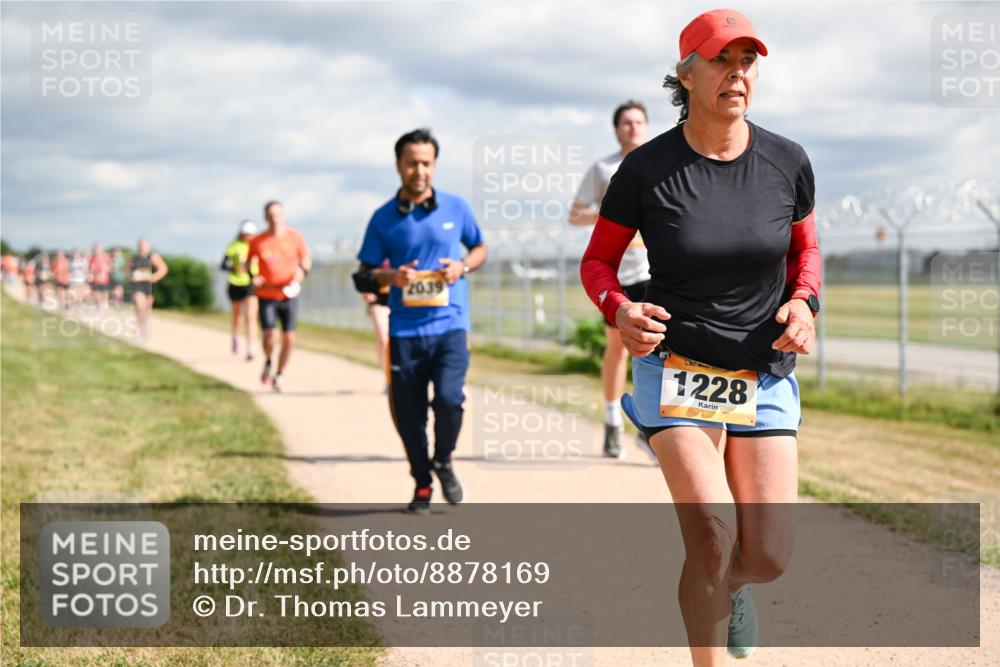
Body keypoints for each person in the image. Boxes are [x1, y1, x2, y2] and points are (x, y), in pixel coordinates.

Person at [579, 9, 820, 665]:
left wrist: (805, 304)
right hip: (677, 364)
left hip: (761, 370)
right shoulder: (647, 169)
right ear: (686, 75)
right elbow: (597, 262)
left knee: (766, 556)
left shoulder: (787, 160)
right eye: (721, 60)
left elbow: (807, 251)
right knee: (710, 539)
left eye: (747, 61)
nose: (737, 73)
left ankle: (738, 590)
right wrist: (618, 309)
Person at [354, 128, 487, 514]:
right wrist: (391, 277)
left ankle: (443, 459)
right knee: (409, 415)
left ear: (434, 165)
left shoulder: (456, 208)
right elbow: (363, 275)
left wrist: (462, 266)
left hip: (450, 325)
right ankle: (422, 482)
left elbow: (480, 248)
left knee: (449, 399)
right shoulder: (382, 219)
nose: (419, 170)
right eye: (411, 162)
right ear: (399, 165)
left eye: (426, 163)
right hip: (405, 331)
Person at [570, 100, 655, 461]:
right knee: (618, 349)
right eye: (626, 122)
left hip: (657, 271)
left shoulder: (661, 162)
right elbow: (575, 214)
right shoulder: (604, 169)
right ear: (616, 129)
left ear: (647, 126)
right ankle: (611, 421)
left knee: (658, 352)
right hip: (618, 275)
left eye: (639, 121)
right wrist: (610, 218)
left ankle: (650, 429)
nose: (633, 127)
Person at [246, 201, 311, 392]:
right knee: (269, 335)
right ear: (266, 217)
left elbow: (305, 260)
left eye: (278, 215)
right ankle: (268, 360)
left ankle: (280, 373)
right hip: (266, 293)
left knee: (289, 337)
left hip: (288, 293)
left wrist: (300, 275)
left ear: (283, 215)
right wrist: (253, 276)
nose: (275, 219)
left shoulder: (295, 237)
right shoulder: (257, 241)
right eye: (271, 216)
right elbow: (250, 263)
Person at [221, 220, 259, 360]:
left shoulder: (257, 246)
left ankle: (250, 347)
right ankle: (236, 337)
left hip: (250, 285)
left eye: (251, 234)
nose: (248, 237)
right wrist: (234, 268)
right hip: (235, 284)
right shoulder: (234, 246)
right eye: (246, 234)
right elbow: (223, 265)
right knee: (238, 318)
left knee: (250, 316)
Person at [361, 259, 392, 391]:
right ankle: (388, 379)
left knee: (395, 340)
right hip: (378, 301)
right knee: (383, 339)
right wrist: (367, 291)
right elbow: (363, 272)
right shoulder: (377, 248)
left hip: (398, 300)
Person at [128, 239, 169, 336]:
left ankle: (142, 325)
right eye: (141, 245)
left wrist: (154, 277)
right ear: (138, 246)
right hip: (138, 285)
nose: (143, 247)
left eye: (145, 245)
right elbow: (127, 268)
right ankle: (139, 324)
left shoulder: (153, 256)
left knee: (147, 308)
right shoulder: (134, 258)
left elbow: (163, 268)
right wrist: (131, 276)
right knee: (139, 303)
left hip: (148, 285)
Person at [88, 243, 112, 309]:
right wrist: (94, 274)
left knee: (105, 294)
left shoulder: (106, 256)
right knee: (96, 294)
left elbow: (110, 267)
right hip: (96, 280)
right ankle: (98, 307)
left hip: (104, 279)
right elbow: (90, 269)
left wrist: (103, 272)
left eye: (98, 248)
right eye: (95, 248)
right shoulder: (92, 258)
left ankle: (104, 303)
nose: (96, 250)